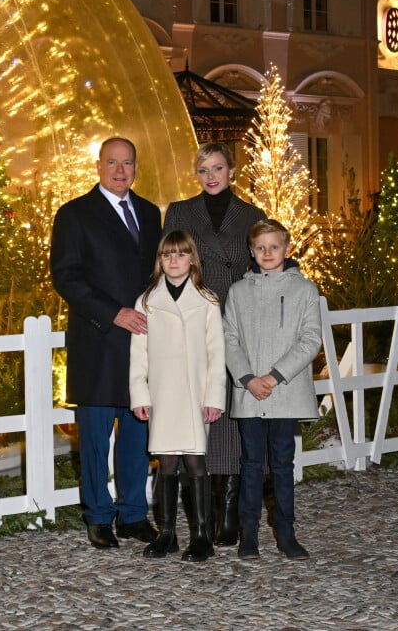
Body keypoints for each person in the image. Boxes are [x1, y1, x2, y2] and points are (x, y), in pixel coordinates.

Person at [50, 136, 162, 550]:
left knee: (137, 435)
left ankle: (133, 513)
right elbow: (66, 276)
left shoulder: (151, 214)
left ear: (136, 167)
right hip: (98, 342)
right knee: (95, 440)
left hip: (141, 344)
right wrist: (114, 312)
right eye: (112, 163)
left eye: (127, 163)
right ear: (98, 166)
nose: (120, 171)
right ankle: (98, 516)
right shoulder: (74, 214)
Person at [163, 142, 265, 547]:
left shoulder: (253, 215)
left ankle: (230, 510)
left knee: (235, 409)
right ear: (196, 173)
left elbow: (264, 261)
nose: (211, 176)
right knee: (204, 409)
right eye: (203, 169)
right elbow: (168, 260)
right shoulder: (179, 212)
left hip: (239, 317)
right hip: (196, 314)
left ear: (231, 170)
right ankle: (207, 510)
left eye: (218, 168)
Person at [223, 219, 322, 561]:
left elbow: (310, 339)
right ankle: (248, 535)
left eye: (274, 246)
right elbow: (229, 338)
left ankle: (286, 532)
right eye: (260, 248)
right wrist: (249, 377)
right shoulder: (238, 292)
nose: (267, 253)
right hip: (250, 392)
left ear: (287, 248)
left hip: (285, 392)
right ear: (252, 251)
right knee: (251, 463)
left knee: (282, 464)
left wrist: (275, 376)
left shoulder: (305, 290)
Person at [130, 230, 226, 562]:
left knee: (196, 461)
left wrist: (214, 397)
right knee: (166, 462)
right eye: (167, 255)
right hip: (162, 394)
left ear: (192, 259)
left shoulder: (208, 300)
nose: (174, 261)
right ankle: (167, 534)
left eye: (180, 254)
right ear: (160, 261)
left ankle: (202, 536)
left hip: (196, 395)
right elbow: (138, 354)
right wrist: (139, 393)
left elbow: (217, 353)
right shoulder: (146, 302)